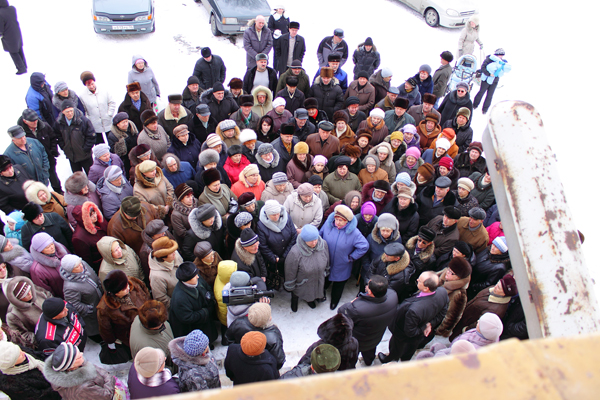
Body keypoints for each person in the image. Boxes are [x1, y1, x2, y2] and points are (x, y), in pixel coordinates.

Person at [378, 271, 448, 363]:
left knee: (396, 348)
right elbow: (443, 312)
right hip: (417, 335)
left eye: (419, 281)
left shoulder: (414, 310)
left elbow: (410, 332)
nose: (417, 280)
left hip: (402, 333)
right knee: (410, 349)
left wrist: (425, 326)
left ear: (426, 288)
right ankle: (405, 360)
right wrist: (430, 323)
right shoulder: (442, 292)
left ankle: (390, 359)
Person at [338, 275, 397, 366]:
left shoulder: (357, 308)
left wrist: (351, 303)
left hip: (359, 340)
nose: (366, 286)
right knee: (370, 351)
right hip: (376, 336)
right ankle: (369, 362)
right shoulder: (393, 296)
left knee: (352, 355)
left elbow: (341, 312)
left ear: (369, 291)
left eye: (367, 285)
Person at [320, 205, 369, 309]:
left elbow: (364, 246)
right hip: (326, 261)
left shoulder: (354, 232)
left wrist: (351, 257)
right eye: (336, 219)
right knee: (324, 280)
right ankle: (321, 293)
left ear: (347, 221)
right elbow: (320, 236)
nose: (337, 222)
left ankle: (334, 300)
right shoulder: (328, 225)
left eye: (341, 220)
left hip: (342, 264)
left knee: (339, 284)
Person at [42, 342, 121, 400]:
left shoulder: (75, 367)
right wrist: (109, 378)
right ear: (71, 367)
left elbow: (93, 368)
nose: (81, 354)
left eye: (78, 352)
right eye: (78, 357)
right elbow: (107, 395)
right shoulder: (83, 388)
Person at [450, 273, 517, 341]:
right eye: (498, 283)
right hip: (463, 318)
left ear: (504, 294)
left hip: (464, 326)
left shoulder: (496, 310)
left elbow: (479, 323)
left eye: (499, 287)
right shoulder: (493, 289)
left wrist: (466, 329)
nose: (496, 286)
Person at [96, 269, 150, 348]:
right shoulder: (105, 309)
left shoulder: (133, 282)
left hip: (149, 325)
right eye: (124, 289)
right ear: (116, 293)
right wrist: (112, 342)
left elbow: (146, 292)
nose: (128, 288)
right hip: (132, 336)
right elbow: (106, 329)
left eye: (127, 285)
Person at [226, 303, 285, 369]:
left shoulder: (238, 323)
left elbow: (229, 338)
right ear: (269, 319)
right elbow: (279, 360)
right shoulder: (273, 336)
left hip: (242, 359)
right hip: (264, 366)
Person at [18, 108, 62, 193]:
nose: (35, 122)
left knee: (53, 177)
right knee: (39, 182)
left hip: (49, 158)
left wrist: (53, 150)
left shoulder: (45, 126)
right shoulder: (22, 134)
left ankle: (59, 192)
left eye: (36, 120)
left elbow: (53, 138)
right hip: (34, 163)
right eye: (32, 121)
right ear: (25, 121)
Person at [257, 200, 297, 289]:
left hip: (288, 255)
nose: (276, 217)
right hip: (274, 259)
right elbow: (263, 246)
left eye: (278, 214)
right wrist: (273, 258)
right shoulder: (261, 225)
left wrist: (286, 254)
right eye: (273, 215)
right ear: (267, 214)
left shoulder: (287, 217)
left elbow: (293, 235)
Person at [435, 257, 472, 338]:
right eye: (448, 269)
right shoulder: (446, 272)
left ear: (458, 277)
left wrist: (437, 330)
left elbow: (451, 317)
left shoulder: (459, 295)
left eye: (451, 273)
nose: (447, 272)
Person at [55, 101, 96, 174]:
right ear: (63, 112)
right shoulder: (59, 123)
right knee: (78, 178)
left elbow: (91, 135)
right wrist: (64, 147)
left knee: (91, 175)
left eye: (71, 110)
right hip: (72, 156)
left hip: (85, 155)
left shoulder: (83, 121)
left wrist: (86, 148)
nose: (70, 113)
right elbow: (58, 136)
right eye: (67, 111)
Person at [79, 71, 117, 144]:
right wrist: (89, 120)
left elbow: (112, 102)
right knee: (99, 145)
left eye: (92, 83)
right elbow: (84, 110)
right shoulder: (82, 96)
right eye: (88, 85)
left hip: (108, 121)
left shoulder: (104, 91)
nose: (91, 86)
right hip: (95, 125)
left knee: (112, 142)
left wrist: (109, 114)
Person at [70, 202, 107, 274]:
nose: (95, 216)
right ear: (84, 218)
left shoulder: (99, 220)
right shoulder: (79, 238)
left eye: (94, 212)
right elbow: (87, 260)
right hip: (101, 266)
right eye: (91, 215)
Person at [473, 48, 512, 115]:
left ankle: (485, 109)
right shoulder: (489, 59)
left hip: (495, 80)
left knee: (490, 95)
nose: (501, 57)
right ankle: (475, 105)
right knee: (481, 92)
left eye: (502, 55)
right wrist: (489, 74)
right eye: (500, 55)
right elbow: (483, 68)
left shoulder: (501, 62)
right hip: (486, 79)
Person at [149, 236, 183, 309]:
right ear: (163, 258)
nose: (175, 253)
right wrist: (179, 306)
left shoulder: (174, 254)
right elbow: (161, 299)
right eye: (171, 253)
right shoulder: (156, 276)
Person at [0, 0, 26, 74]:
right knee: (19, 49)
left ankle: (21, 68)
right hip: (16, 32)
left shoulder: (0, 14)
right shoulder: (12, 9)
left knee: (14, 52)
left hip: (9, 36)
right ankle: (24, 66)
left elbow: (1, 29)